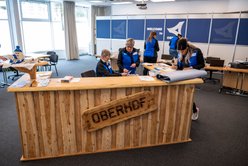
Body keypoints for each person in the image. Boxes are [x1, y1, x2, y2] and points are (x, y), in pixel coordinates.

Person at [176, 38, 205, 120]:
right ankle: (185, 109)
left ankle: (195, 110)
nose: (181, 52)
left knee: (188, 94)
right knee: (181, 94)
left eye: (183, 51)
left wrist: (191, 67)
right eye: (180, 51)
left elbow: (202, 65)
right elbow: (180, 66)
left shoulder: (196, 51)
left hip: (193, 75)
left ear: (187, 48)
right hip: (182, 75)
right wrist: (176, 67)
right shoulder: (180, 52)